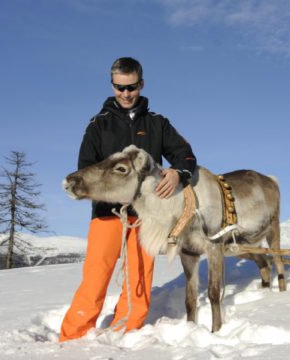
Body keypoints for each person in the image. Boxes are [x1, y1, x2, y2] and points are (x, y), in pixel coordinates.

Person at [60, 57, 197, 342]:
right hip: (106, 214)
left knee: (139, 277)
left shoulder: (158, 123)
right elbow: (86, 169)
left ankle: (127, 331)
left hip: (145, 216)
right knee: (96, 277)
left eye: (131, 87)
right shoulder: (99, 125)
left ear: (141, 84)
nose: (125, 93)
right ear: (112, 86)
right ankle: (72, 338)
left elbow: (186, 155)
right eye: (119, 87)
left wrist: (179, 175)